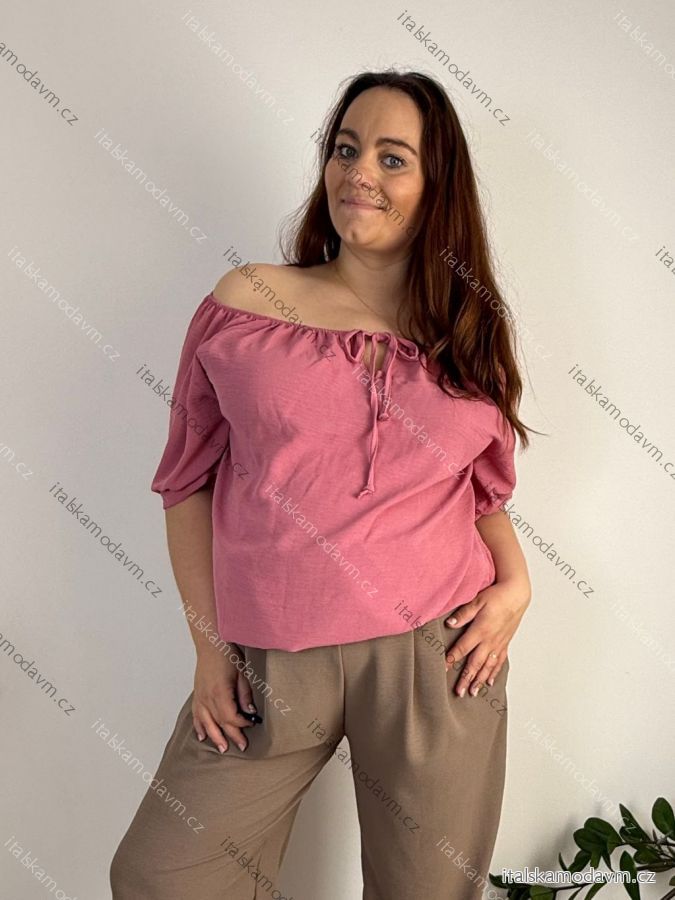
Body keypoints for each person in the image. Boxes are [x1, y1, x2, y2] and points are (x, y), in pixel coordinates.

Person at [110, 69, 534, 900]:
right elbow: (185, 481)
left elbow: (479, 494)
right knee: (161, 876)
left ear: (436, 185)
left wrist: (516, 584)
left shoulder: (465, 329)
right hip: (269, 657)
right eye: (345, 149)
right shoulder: (247, 303)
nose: (358, 173)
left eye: (391, 157)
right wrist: (208, 649)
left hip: (435, 655)